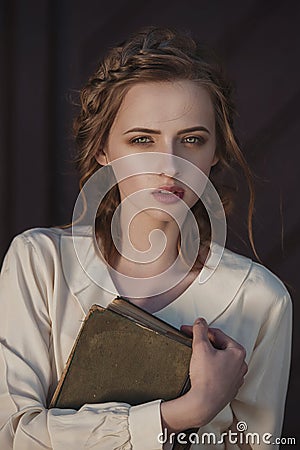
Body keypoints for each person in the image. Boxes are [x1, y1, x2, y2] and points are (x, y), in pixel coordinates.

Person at [0, 27, 292, 450]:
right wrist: (189, 411)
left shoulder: (262, 300)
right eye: (142, 140)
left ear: (215, 154)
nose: (170, 166)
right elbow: (12, 435)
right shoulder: (39, 264)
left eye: (192, 140)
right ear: (103, 149)